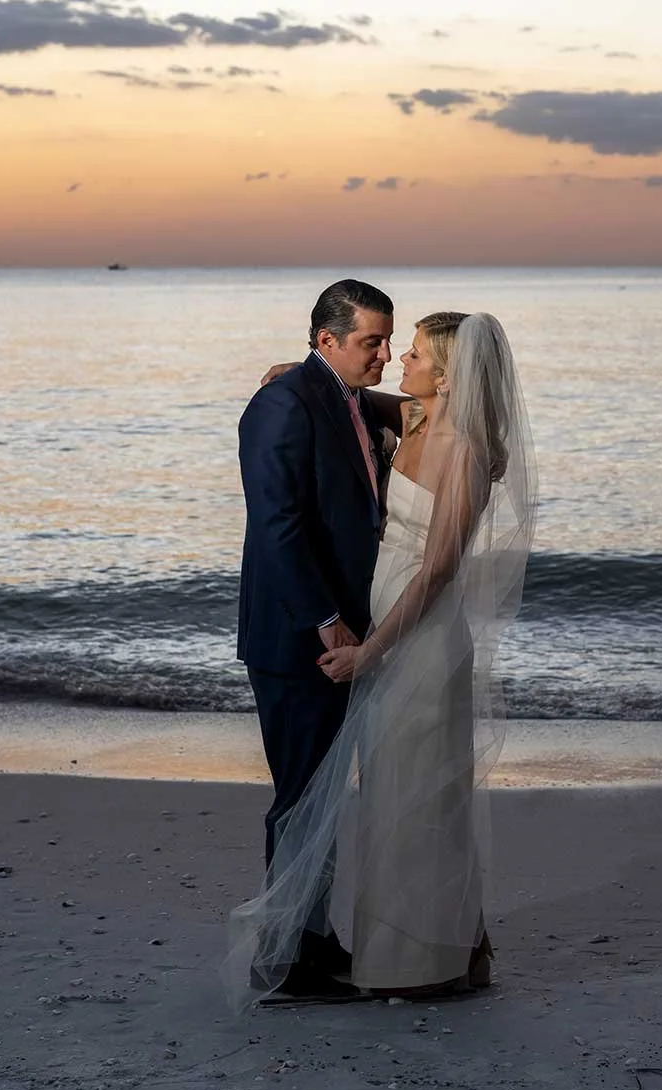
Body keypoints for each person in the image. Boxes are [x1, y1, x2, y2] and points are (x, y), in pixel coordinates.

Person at [228, 310, 536, 1005]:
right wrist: (303, 379)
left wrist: (369, 653)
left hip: (417, 638)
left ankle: (423, 963)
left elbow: (434, 572)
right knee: (398, 795)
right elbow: (356, 392)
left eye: (418, 354)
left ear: (451, 376)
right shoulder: (418, 421)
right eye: (393, 347)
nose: (401, 360)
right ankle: (444, 946)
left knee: (422, 797)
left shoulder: (465, 452)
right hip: (386, 627)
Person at [236, 278, 395, 999]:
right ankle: (283, 963)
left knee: (327, 797)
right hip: (298, 639)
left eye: (389, 341)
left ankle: (315, 938)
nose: (386, 355)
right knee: (301, 798)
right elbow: (278, 525)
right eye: (371, 341)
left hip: (344, 633)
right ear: (327, 340)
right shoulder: (281, 405)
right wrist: (328, 620)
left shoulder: (348, 399)